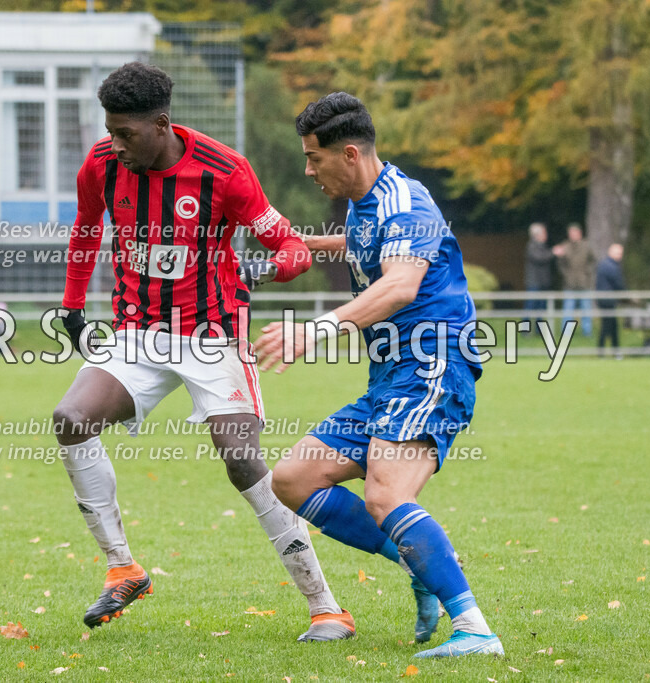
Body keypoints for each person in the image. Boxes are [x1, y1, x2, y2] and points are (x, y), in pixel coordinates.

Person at [52, 62, 356, 642]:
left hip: (213, 336)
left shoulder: (224, 171)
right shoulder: (102, 164)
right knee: (70, 420)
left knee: (241, 459)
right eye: (110, 131)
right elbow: (86, 228)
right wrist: (71, 306)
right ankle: (123, 567)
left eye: (127, 134)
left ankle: (326, 607)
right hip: (138, 333)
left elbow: (290, 245)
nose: (115, 144)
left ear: (162, 124)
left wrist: (265, 269)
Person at [255, 92, 503, 658]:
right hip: (391, 376)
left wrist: (310, 331)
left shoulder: (404, 202)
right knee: (293, 479)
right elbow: (368, 241)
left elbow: (399, 286)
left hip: (433, 364)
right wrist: (309, 246)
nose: (309, 170)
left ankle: (475, 630)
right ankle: (420, 565)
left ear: (348, 153)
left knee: (385, 494)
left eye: (313, 159)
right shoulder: (367, 203)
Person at [552, 223, 595, 336]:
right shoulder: (565, 246)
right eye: (571, 233)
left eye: (575, 233)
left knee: (586, 309)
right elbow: (560, 263)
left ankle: (587, 331)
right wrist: (566, 274)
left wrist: (587, 272)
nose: (573, 235)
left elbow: (593, 261)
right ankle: (566, 332)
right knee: (568, 309)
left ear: (579, 234)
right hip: (569, 284)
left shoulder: (587, 246)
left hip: (584, 283)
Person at [596, 243, 625, 356]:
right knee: (608, 326)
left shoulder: (605, 264)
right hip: (607, 300)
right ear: (611, 253)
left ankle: (610, 352)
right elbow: (618, 284)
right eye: (618, 253)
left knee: (611, 326)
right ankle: (606, 352)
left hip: (605, 300)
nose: (620, 256)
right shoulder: (611, 266)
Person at [524, 222, 553, 322]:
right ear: (537, 235)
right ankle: (525, 329)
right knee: (530, 305)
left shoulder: (542, 246)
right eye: (544, 233)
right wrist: (553, 252)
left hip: (542, 281)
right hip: (534, 282)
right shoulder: (531, 246)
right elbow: (539, 258)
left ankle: (538, 329)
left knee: (541, 306)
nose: (546, 235)